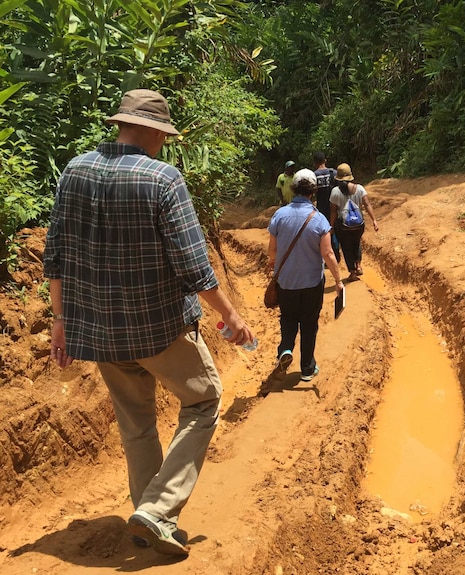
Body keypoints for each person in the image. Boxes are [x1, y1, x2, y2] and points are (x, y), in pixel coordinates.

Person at [43, 89, 255, 557]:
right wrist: (231, 314)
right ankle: (157, 511)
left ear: (121, 123)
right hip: (158, 328)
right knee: (204, 401)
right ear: (156, 132)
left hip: (97, 332)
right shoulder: (162, 178)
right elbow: (193, 266)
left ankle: (149, 515)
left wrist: (60, 322)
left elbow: (54, 254)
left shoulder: (74, 171)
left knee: (136, 424)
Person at [268, 169, 344, 381]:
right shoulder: (319, 219)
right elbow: (328, 253)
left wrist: (274, 265)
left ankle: (285, 349)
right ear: (313, 191)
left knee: (288, 319)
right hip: (312, 283)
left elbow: (272, 252)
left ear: (294, 189)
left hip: (286, 282)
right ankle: (307, 368)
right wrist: (338, 281)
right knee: (309, 324)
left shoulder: (279, 215)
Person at [329, 163, 379, 282]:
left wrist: (331, 226)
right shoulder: (360, 188)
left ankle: (352, 273)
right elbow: (367, 204)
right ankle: (359, 266)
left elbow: (333, 211)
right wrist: (374, 220)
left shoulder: (335, 191)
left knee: (346, 247)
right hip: (359, 224)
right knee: (356, 243)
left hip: (343, 226)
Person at [312, 151, 340, 262]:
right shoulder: (334, 173)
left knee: (323, 233)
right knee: (335, 230)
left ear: (314, 163)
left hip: (321, 209)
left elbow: (312, 193)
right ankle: (336, 255)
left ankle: (325, 257)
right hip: (335, 207)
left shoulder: (313, 176)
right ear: (325, 161)